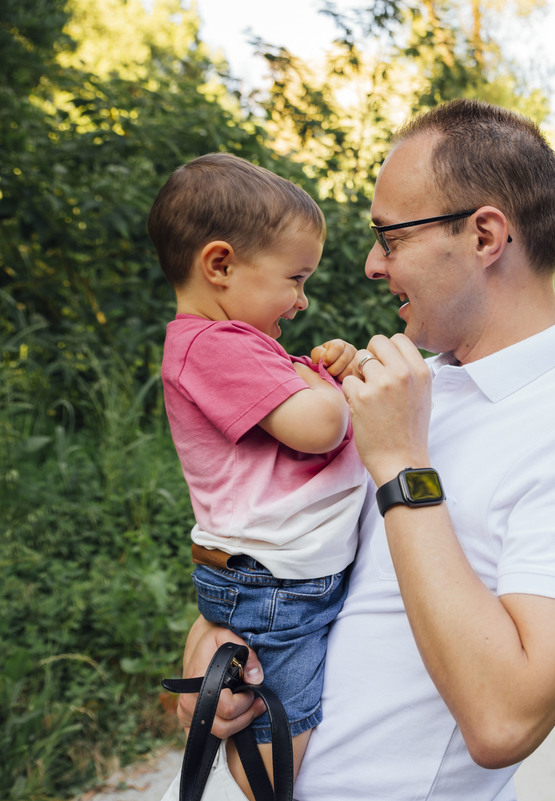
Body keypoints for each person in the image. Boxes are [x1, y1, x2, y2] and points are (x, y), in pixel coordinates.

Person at [168, 98, 555, 800]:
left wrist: (402, 466)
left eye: (390, 237)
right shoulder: (410, 385)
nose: (371, 264)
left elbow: (505, 718)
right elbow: (283, 569)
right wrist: (209, 653)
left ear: (486, 235)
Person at [147, 153, 371, 796]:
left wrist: (323, 373)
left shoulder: (236, 343)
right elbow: (320, 427)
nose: (302, 302)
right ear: (220, 265)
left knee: (278, 712)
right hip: (278, 587)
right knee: (279, 747)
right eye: (295, 279)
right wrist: (322, 380)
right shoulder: (210, 347)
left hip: (279, 578)